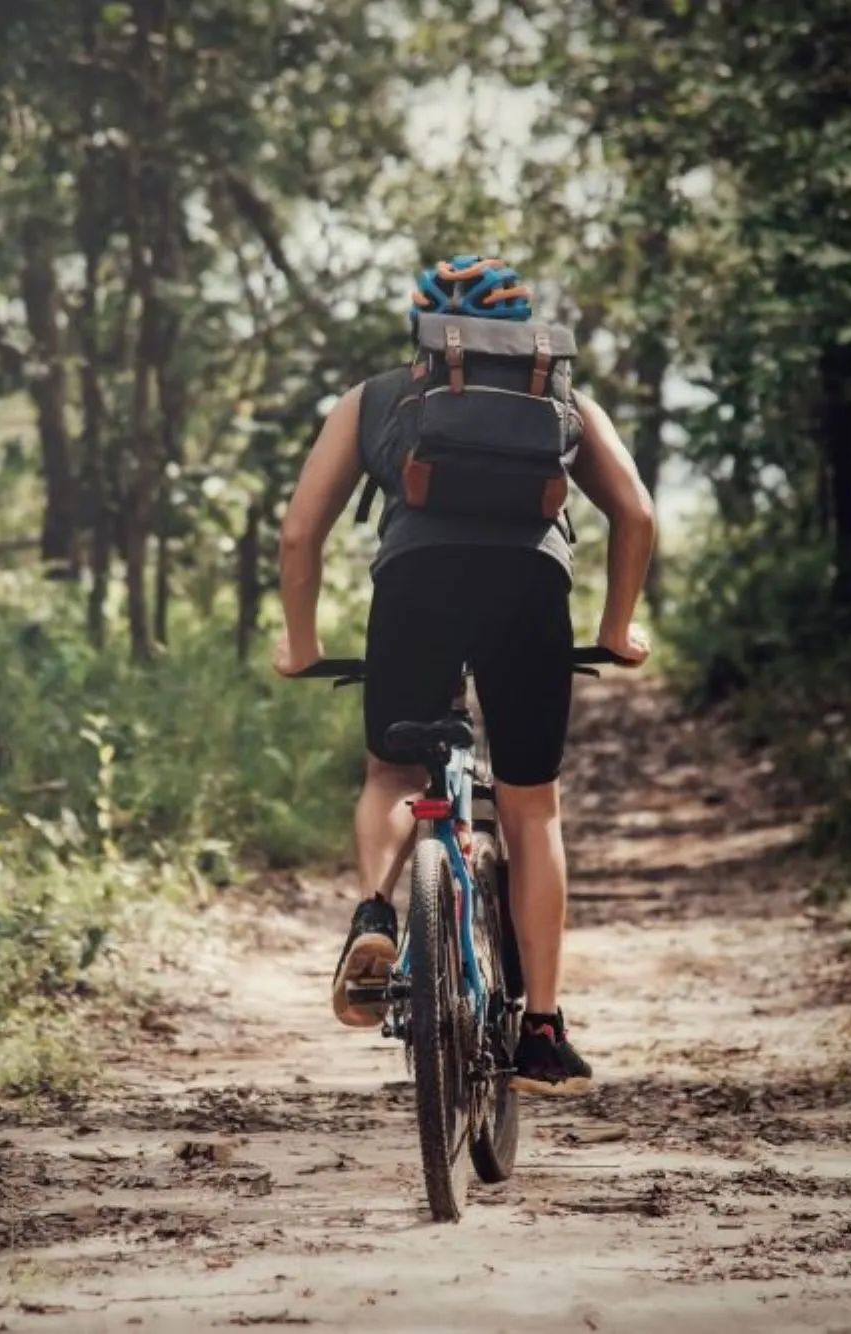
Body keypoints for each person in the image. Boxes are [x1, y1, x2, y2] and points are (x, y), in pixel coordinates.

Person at [272, 255, 657, 1095]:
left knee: (392, 771)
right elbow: (635, 511)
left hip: (417, 585)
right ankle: (543, 1030)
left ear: (423, 330)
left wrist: (300, 644)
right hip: (530, 591)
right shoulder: (563, 397)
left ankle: (376, 910)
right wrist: (616, 629)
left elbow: (300, 533)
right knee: (531, 804)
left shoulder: (375, 398)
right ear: (522, 331)